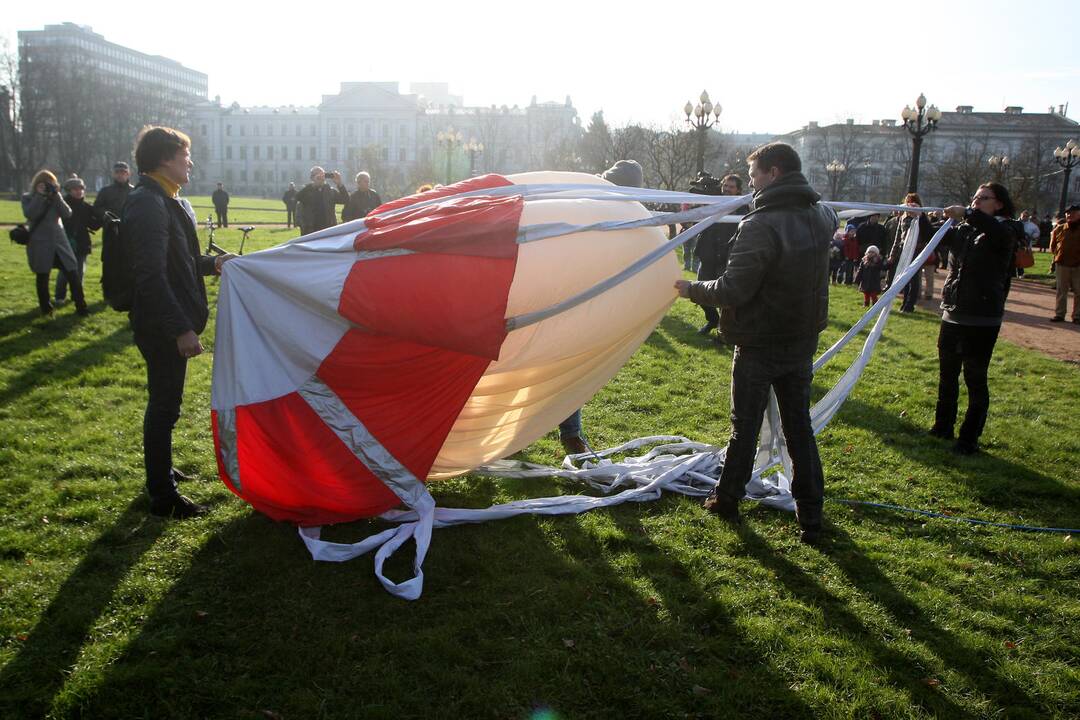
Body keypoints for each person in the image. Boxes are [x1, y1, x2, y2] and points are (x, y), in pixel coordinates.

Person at [675, 142, 837, 544]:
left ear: (775, 173)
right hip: (800, 339)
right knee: (799, 428)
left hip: (759, 342)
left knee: (743, 427)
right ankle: (810, 516)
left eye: (754, 177)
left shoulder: (760, 225)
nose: (750, 185)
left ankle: (727, 498)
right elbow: (830, 211)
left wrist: (690, 289)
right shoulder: (822, 216)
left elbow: (733, 289)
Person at [123, 126, 237, 518]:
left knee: (167, 403)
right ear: (164, 159)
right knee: (164, 406)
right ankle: (162, 495)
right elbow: (150, 276)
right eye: (184, 154)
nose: (190, 161)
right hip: (160, 325)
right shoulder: (148, 204)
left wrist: (214, 263)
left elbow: (181, 263)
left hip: (168, 318)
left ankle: (161, 472)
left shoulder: (171, 201)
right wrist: (180, 328)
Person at [930, 182, 1023, 455]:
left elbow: (993, 229)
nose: (977, 201)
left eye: (984, 198)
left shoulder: (1006, 230)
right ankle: (942, 427)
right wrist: (916, 218)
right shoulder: (965, 230)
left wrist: (968, 213)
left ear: (999, 203)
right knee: (947, 374)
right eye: (975, 197)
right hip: (953, 310)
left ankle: (969, 438)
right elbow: (932, 237)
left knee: (974, 377)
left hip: (982, 316)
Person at [559, 159, 643, 456]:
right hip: (564, 298)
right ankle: (567, 434)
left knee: (571, 370)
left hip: (588, 304)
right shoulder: (584, 207)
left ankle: (569, 434)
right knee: (561, 369)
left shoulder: (628, 216)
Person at [688, 173, 749, 338]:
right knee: (698, 292)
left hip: (726, 257)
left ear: (738, 190)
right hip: (707, 254)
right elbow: (697, 220)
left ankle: (724, 331)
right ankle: (712, 320)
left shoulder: (742, 207)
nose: (727, 189)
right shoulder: (713, 200)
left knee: (724, 297)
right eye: (725, 186)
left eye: (731, 187)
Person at [22, 170, 89, 317]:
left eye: (50, 183)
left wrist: (56, 195)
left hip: (60, 242)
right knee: (43, 275)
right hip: (40, 242)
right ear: (37, 184)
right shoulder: (28, 197)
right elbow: (30, 214)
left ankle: (81, 306)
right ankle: (46, 309)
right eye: (44, 184)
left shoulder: (55, 197)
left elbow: (67, 213)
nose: (47, 186)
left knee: (73, 273)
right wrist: (40, 196)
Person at [56, 176, 102, 305]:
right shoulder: (62, 205)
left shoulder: (87, 207)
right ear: (69, 191)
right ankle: (60, 296)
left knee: (79, 272)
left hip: (82, 243)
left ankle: (76, 296)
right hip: (65, 242)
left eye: (81, 189)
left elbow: (93, 225)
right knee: (64, 272)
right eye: (75, 189)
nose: (79, 191)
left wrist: (101, 218)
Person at [886, 192, 934, 312]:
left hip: (916, 250)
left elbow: (926, 234)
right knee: (904, 278)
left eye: (912, 202)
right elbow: (898, 237)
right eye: (907, 202)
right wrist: (893, 254)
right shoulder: (902, 218)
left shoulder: (920, 218)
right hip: (904, 249)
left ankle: (910, 304)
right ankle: (905, 302)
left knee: (913, 278)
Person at [1049, 204, 1080, 323]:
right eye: (1067, 213)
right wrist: (1057, 255)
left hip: (1078, 265)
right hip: (1062, 263)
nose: (1069, 215)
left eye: (1072, 213)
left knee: (1079, 291)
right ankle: (1060, 314)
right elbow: (1052, 247)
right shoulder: (1059, 228)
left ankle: (1077, 316)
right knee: (1061, 290)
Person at [295, 166, 348, 235]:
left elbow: (346, 199)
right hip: (310, 231)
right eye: (317, 175)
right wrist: (313, 185)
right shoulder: (307, 191)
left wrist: (339, 184)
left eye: (322, 174)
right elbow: (297, 197)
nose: (320, 177)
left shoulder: (330, 191)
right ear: (312, 178)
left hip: (328, 230)